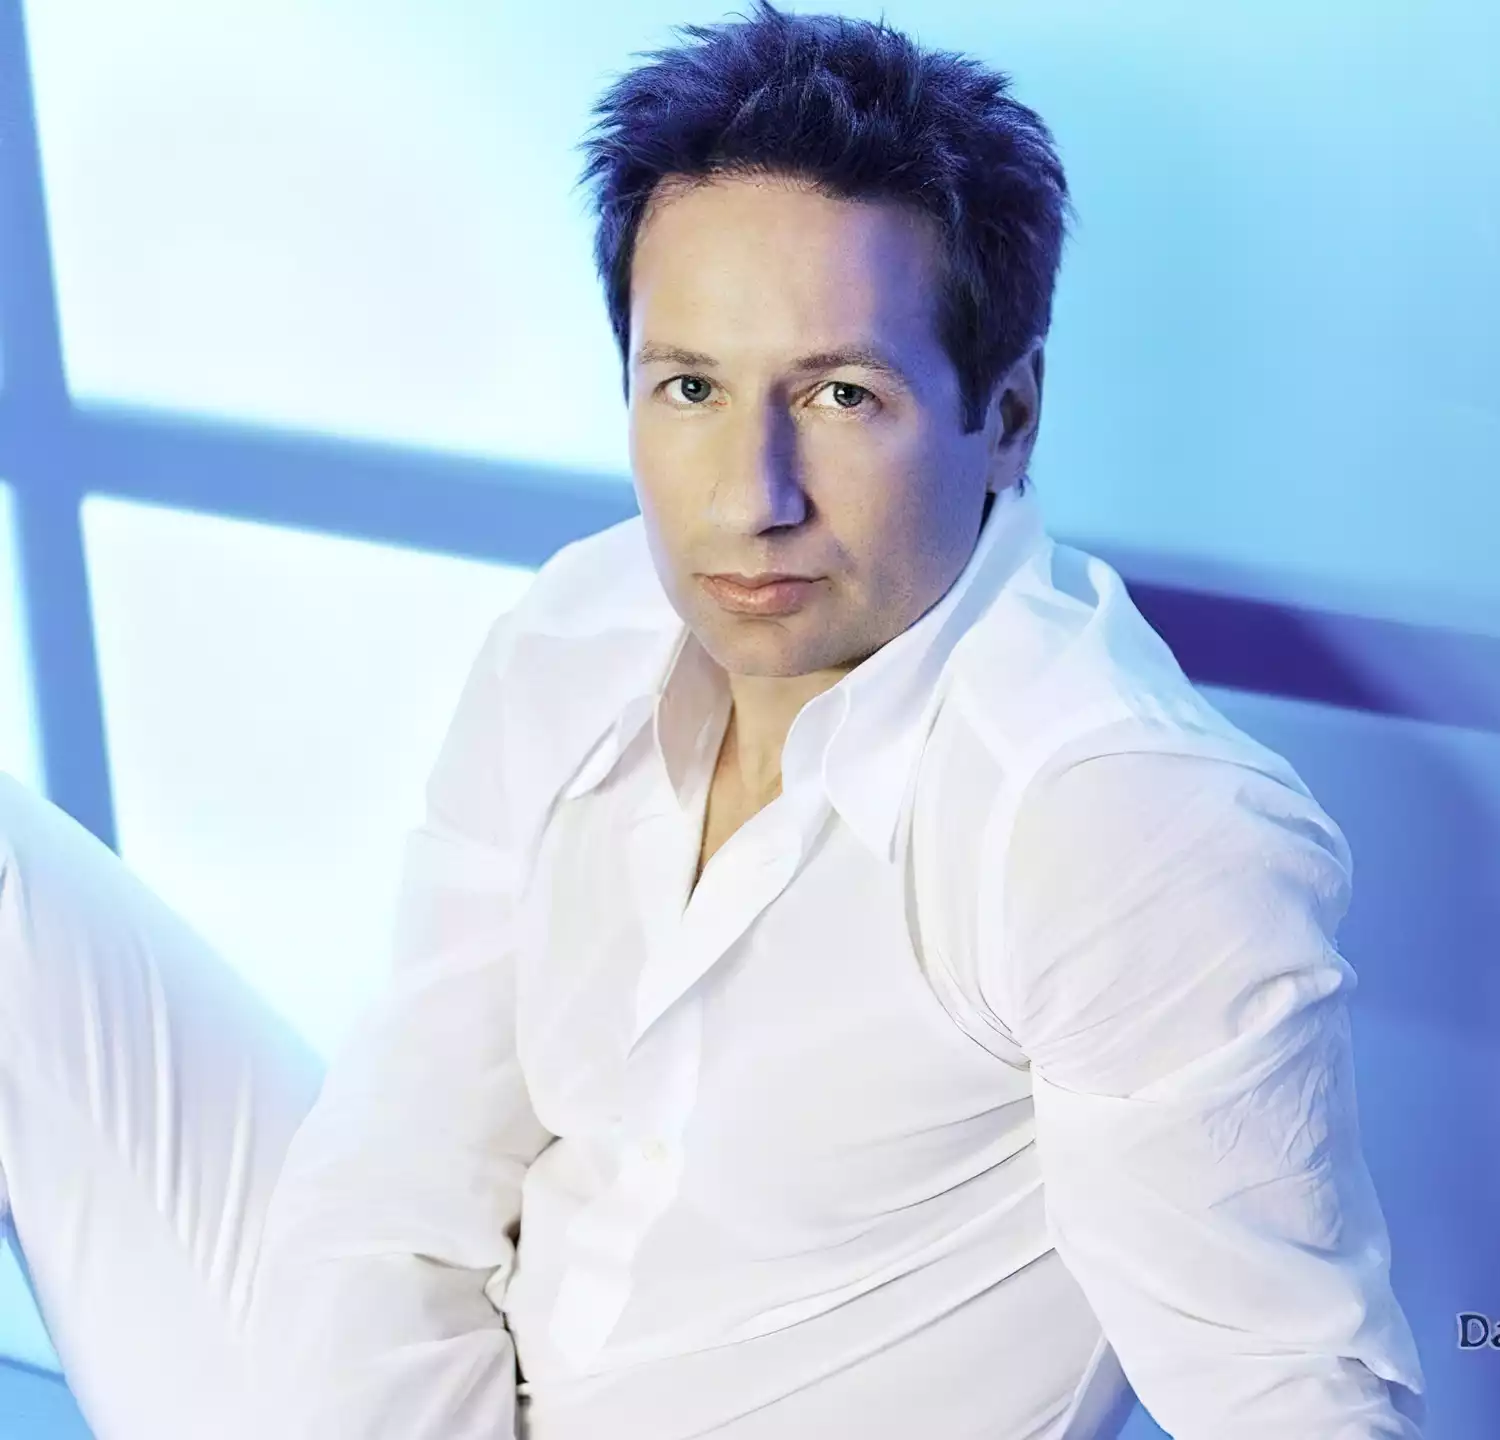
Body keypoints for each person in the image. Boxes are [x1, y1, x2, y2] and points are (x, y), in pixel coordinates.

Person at [0, 3, 1426, 1436]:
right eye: (690, 387)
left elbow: (1289, 1396)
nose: (753, 497)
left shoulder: (1116, 822)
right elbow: (403, 1166)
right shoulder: (581, 629)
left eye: (842, 395)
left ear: (1007, 414)